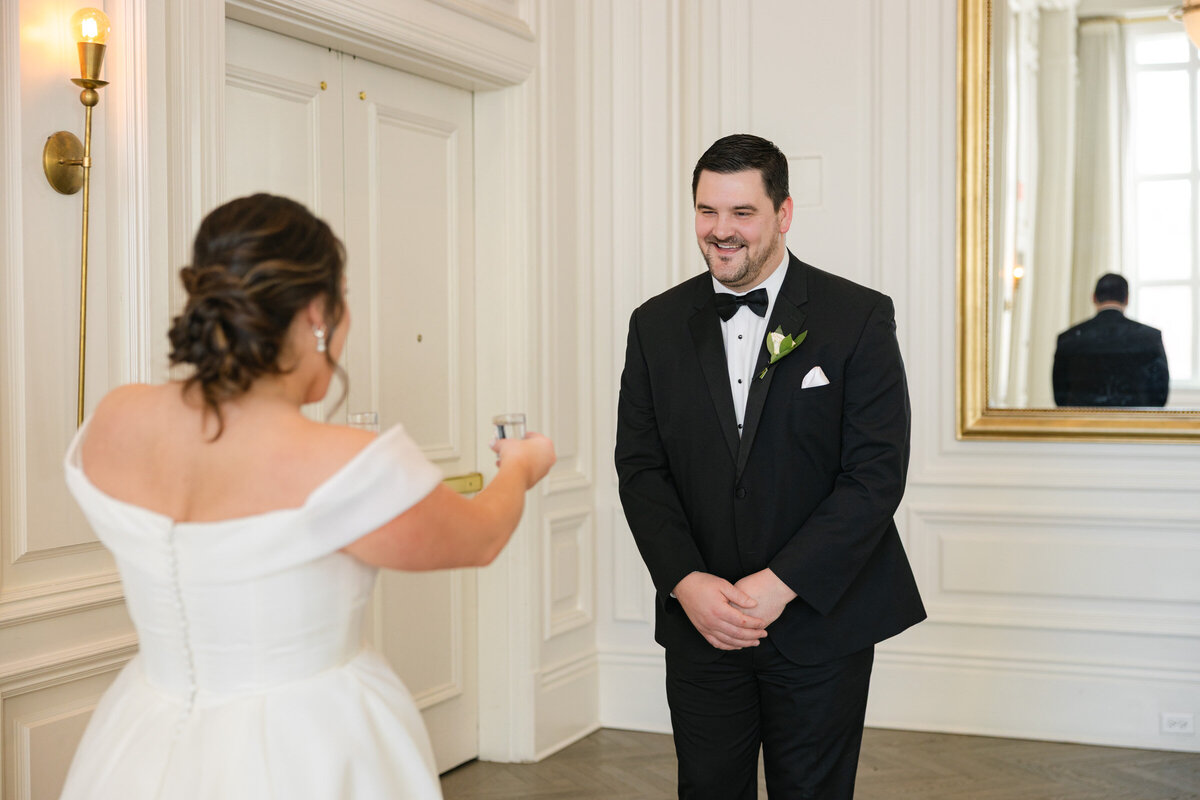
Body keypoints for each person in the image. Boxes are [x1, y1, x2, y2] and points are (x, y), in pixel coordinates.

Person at [59, 194, 555, 799]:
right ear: (317, 311)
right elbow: (481, 536)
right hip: (305, 748)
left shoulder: (115, 417)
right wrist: (521, 468)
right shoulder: (340, 460)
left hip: (141, 735)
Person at [615, 134, 925, 799]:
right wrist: (686, 581)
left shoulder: (857, 318)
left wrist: (782, 583)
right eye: (706, 211)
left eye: (741, 213)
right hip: (703, 624)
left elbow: (875, 474)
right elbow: (640, 468)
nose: (720, 231)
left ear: (783, 213)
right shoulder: (655, 325)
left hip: (821, 617)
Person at [1052, 273, 1169, 407]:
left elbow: (1060, 396)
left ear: (1094, 297)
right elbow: (1160, 395)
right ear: (1126, 299)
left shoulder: (1068, 338)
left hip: (1083, 424)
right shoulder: (1150, 338)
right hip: (1135, 424)